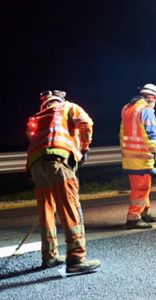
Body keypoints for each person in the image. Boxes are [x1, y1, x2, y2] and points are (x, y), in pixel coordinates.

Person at [25, 90, 101, 273]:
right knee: (69, 207)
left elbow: (30, 134)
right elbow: (86, 123)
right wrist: (84, 149)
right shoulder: (68, 107)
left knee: (46, 210)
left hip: (35, 165)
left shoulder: (37, 116)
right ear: (60, 100)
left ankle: (49, 256)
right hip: (57, 161)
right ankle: (76, 258)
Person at [120, 84, 156, 229]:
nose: (155, 104)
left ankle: (145, 212)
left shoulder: (127, 108)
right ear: (151, 98)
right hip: (141, 157)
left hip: (129, 157)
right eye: (155, 101)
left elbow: (122, 133)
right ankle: (133, 218)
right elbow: (151, 136)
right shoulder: (146, 110)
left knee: (142, 186)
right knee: (141, 188)